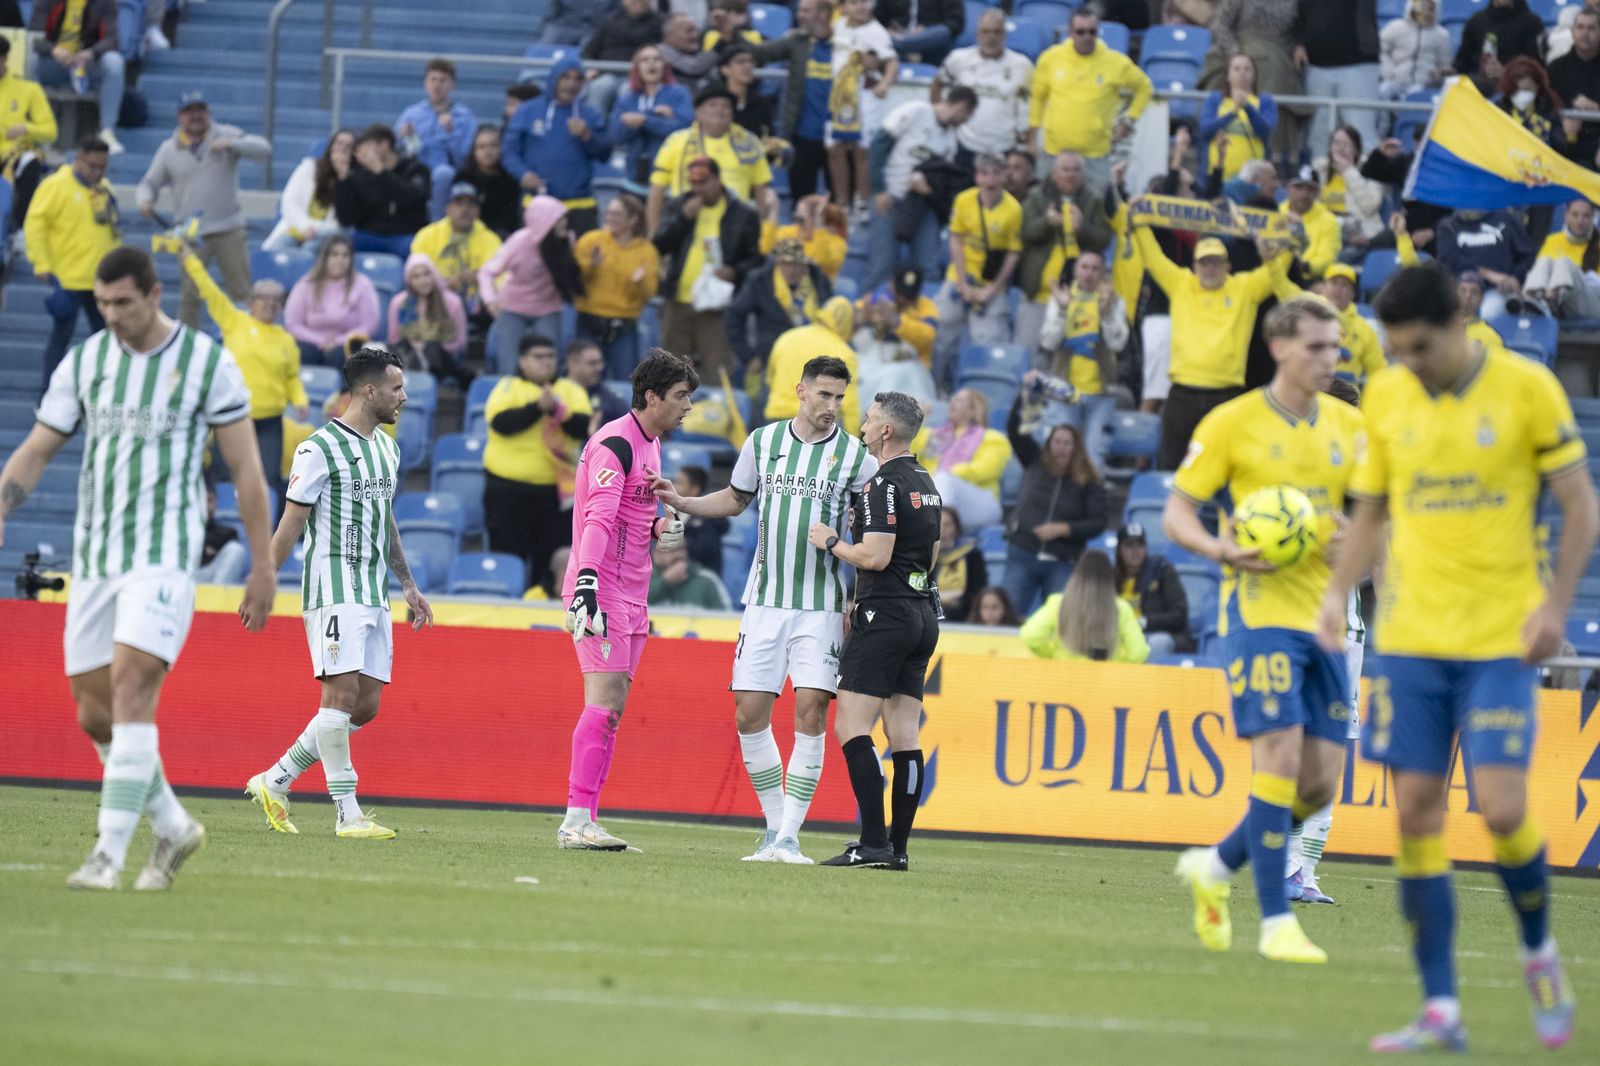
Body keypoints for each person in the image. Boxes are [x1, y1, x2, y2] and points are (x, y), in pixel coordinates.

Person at [1320, 262, 1597, 1051]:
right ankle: (1440, 1006)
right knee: (1414, 815)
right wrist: (1336, 597)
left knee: (1503, 809)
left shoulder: (1526, 389)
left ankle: (1539, 950)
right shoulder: (1388, 396)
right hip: (1409, 640)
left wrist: (1555, 606)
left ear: (1459, 323)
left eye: (1418, 348)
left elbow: (1582, 505)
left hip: (1501, 636)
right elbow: (1370, 513)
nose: (1408, 363)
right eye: (1396, 350)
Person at [0, 245, 276, 890]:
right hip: (97, 559)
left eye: (123, 302)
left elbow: (246, 472)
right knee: (95, 714)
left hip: (163, 557)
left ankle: (106, 856)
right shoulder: (87, 362)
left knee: (130, 685)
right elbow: (38, 449)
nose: (112, 314)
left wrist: (262, 566)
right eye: (102, 303)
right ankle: (174, 827)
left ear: (154, 295)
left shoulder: (207, 364)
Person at [1165, 295, 1366, 966]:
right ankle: (1277, 923)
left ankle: (1215, 868)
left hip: (1327, 619)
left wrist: (1355, 552)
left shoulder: (1349, 426)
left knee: (1317, 787)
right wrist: (1220, 550)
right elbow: (1177, 514)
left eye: (1335, 347)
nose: (1328, 359)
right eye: (1316, 347)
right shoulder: (1232, 423)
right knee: (1277, 761)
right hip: (1259, 614)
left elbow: (1374, 524)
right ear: (1280, 348)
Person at [656, 357, 876, 861]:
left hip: (820, 607)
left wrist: (858, 596)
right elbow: (735, 500)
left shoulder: (856, 459)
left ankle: (790, 835)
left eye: (840, 397)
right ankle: (774, 828)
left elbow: (869, 534)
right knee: (749, 713)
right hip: (764, 601)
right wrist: (684, 504)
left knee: (811, 709)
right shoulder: (763, 442)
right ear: (800, 390)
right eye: (824, 395)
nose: (833, 407)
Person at [244, 347, 433, 841]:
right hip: (333, 586)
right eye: (396, 388)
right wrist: (262, 577)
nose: (404, 397)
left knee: (364, 705)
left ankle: (275, 779)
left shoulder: (387, 450)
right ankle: (348, 813)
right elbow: (290, 524)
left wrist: (408, 584)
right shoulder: (318, 448)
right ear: (369, 391)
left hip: (373, 591)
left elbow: (386, 519)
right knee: (339, 694)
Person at [558, 349, 700, 851]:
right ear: (652, 396)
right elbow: (596, 519)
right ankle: (576, 820)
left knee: (613, 709)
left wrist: (659, 526)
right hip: (603, 590)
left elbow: (629, 517)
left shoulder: (651, 445)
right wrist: (587, 583)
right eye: (681, 397)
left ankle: (587, 818)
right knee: (602, 704)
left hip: (633, 594)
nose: (688, 407)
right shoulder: (615, 444)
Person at [810, 390, 941, 869]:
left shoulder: (882, 484)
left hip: (885, 614)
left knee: (850, 726)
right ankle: (897, 849)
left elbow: (877, 556)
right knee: (904, 734)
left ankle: (871, 843)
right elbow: (928, 558)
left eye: (868, 420)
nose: (862, 427)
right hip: (923, 613)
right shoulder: (927, 482)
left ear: (886, 430)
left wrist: (833, 543)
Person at [1283, 374, 1366, 907]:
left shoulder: (1365, 484)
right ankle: (1279, 861)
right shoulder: (1288, 473)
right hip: (1292, 620)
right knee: (1290, 746)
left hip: (1347, 630)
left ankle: (1304, 870)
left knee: (1331, 754)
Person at [1130, 217, 1291, 470]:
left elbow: (1277, 271)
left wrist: (1286, 232)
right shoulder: (1181, 283)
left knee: (1227, 469)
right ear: (1194, 265)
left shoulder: (1244, 288)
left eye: (1216, 262)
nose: (1210, 268)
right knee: (1169, 468)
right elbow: (1153, 257)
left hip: (1225, 397)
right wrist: (1138, 221)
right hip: (1182, 394)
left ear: (1228, 265)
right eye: (1204, 262)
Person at [174, 241, 308, 499]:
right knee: (225, 477)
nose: (270, 304)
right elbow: (209, 290)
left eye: (275, 300)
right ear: (251, 302)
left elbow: (292, 378)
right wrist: (191, 261)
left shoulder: (285, 339)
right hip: (233, 416)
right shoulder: (234, 321)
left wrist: (300, 399)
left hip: (270, 422)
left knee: (266, 481)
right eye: (264, 298)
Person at [137, 90, 268, 328]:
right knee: (190, 295)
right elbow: (149, 183)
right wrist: (145, 200)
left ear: (208, 112)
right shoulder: (169, 149)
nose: (195, 116)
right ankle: (186, 347)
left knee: (241, 291)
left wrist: (233, 144)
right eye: (189, 112)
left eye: (200, 110)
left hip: (229, 227)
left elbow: (264, 150)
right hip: (190, 233)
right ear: (179, 116)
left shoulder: (225, 134)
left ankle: (250, 339)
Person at [484, 333, 593, 588]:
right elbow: (501, 424)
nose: (546, 362)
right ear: (522, 361)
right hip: (508, 492)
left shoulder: (571, 390)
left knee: (552, 561)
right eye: (538, 357)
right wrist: (537, 407)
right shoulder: (507, 387)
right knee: (507, 557)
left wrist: (555, 409)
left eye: (551, 356)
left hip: (556, 495)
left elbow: (583, 427)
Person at [652, 155, 763, 378]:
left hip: (717, 305)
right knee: (670, 374)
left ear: (718, 180)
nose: (698, 188)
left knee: (717, 370)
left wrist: (735, 272)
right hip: (678, 301)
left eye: (703, 182)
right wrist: (683, 218)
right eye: (693, 183)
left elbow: (756, 260)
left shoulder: (743, 213)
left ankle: (716, 412)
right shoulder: (679, 205)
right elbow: (659, 247)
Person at [23, 136, 117, 394]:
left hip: (100, 280)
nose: (97, 172)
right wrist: (41, 263)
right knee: (61, 337)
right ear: (78, 159)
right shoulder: (55, 185)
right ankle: (47, 396)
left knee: (109, 340)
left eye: (102, 167)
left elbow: (111, 231)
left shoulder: (105, 189)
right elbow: (35, 225)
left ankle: (104, 394)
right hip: (66, 277)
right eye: (92, 166)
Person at [862, 88, 976, 291]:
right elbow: (879, 146)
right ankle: (868, 316)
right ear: (962, 106)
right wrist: (879, 189)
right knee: (882, 266)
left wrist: (928, 190)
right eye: (968, 115)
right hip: (890, 196)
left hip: (921, 204)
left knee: (927, 266)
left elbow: (942, 182)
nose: (966, 122)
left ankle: (922, 317)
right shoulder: (915, 111)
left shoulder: (950, 140)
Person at [1029, 8, 1152, 193]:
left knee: (1096, 210)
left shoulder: (1115, 62)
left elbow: (1145, 87)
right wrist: (1032, 139)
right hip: (1054, 151)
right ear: (1070, 33)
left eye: (1092, 32)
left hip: (1095, 153)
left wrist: (1130, 119)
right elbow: (1037, 99)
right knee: (1049, 207)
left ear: (1098, 32)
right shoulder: (1050, 58)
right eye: (1080, 32)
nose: (1087, 36)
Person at [931, 153, 1022, 393]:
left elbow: (1014, 252)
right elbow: (956, 240)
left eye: (995, 173)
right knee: (944, 338)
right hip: (959, 277)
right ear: (977, 176)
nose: (990, 180)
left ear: (1004, 175)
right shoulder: (964, 201)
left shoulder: (1013, 209)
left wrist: (993, 289)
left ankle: (983, 394)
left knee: (989, 341)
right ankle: (940, 386)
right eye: (984, 173)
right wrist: (962, 283)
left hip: (992, 284)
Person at [1000, 418, 1105, 616]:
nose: (1061, 448)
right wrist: (1026, 395)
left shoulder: (1089, 480)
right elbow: (1015, 430)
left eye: (1067, 443)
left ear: (1077, 447)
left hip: (1063, 559)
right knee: (1008, 614)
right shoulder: (1034, 461)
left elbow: (1098, 522)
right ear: (1049, 444)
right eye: (1057, 442)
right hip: (1023, 552)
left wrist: (1063, 529)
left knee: (1062, 620)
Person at [1034, 250, 1128, 469]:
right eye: (1084, 267)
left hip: (1101, 394)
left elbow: (1118, 344)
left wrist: (1106, 313)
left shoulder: (1115, 301)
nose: (1089, 274)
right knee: (1060, 457)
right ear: (1076, 270)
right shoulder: (1061, 299)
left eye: (1096, 268)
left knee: (1094, 458)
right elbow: (1048, 342)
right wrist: (1063, 310)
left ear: (1104, 273)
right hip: (1065, 391)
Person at [1016, 151, 1113, 354]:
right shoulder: (1037, 196)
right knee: (1027, 353)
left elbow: (1103, 240)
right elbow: (1025, 234)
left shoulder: (1093, 199)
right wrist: (1047, 223)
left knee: (1065, 357)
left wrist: (1082, 227)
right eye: (1066, 169)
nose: (1071, 175)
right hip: (1037, 294)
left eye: (1076, 170)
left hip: (1078, 298)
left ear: (1083, 174)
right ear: (1053, 173)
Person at [503, 55, 612, 236]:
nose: (571, 84)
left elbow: (604, 154)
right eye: (565, 77)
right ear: (554, 78)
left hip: (579, 205)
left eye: (577, 78)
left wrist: (587, 136)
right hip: (537, 203)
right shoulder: (527, 110)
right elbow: (509, 151)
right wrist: (523, 173)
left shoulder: (590, 115)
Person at [647, 83, 773, 235]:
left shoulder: (749, 142)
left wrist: (759, 232)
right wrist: (654, 235)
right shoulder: (676, 141)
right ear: (698, 111)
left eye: (726, 106)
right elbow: (656, 191)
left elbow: (761, 190)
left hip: (734, 231)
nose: (719, 110)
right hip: (686, 228)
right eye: (712, 105)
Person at [479, 195, 583, 374]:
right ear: (544, 223)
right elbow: (487, 272)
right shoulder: (518, 243)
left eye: (565, 218)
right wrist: (490, 300)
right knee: (510, 366)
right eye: (559, 219)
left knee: (549, 365)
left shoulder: (568, 240)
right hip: (512, 308)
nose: (565, 223)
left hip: (547, 308)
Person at [752, 0, 839, 201]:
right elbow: (759, 53)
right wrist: (735, 31)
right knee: (800, 203)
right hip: (802, 137)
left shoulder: (847, 43)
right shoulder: (796, 42)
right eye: (799, 10)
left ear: (824, 15)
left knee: (838, 207)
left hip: (839, 139)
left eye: (806, 11)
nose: (799, 15)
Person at [574, 193, 662, 381]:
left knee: (625, 378)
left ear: (632, 220)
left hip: (623, 324)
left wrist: (638, 283)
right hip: (589, 320)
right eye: (609, 213)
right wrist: (591, 266)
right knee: (584, 378)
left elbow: (649, 292)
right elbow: (574, 280)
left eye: (617, 214)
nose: (610, 218)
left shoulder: (646, 251)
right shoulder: (591, 241)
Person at [828, 0, 898, 222]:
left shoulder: (876, 31)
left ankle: (863, 203)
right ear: (844, 6)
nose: (861, 7)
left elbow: (892, 61)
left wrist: (885, 84)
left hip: (865, 96)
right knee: (835, 148)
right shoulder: (837, 26)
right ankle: (842, 203)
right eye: (855, 2)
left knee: (862, 150)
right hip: (839, 98)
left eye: (864, 2)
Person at [932, 9, 1034, 162]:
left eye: (996, 32)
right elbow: (938, 84)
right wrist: (941, 117)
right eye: (985, 32)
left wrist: (1025, 141)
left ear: (1004, 34)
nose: (990, 37)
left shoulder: (1022, 65)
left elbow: (1030, 105)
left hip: (1004, 147)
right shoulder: (959, 59)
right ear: (977, 34)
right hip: (964, 145)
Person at [28, 0, 125, 154]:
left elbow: (112, 40)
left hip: (85, 64)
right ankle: (32, 129)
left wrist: (91, 53)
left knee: (114, 62)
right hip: (54, 64)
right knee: (30, 61)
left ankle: (107, 131)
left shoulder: (105, 2)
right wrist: (54, 50)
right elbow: (33, 37)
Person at [1021, 550, 1151, 663]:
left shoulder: (1059, 603)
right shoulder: (1121, 608)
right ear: (1109, 576)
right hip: (1105, 683)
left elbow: (1031, 635)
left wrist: (1053, 655)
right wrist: (1116, 665)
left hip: (1064, 680)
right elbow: (1139, 652)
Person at [727, 236, 833, 374]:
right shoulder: (760, 282)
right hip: (773, 361)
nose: (791, 270)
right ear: (777, 263)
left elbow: (831, 314)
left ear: (804, 264)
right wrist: (748, 357)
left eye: (796, 264)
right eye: (785, 264)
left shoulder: (818, 279)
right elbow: (733, 316)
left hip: (815, 360)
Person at [1290, 0, 1381, 157]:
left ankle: (1366, 180)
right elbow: (1299, 16)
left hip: (1358, 65)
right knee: (1318, 136)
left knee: (1360, 133)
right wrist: (1298, 43)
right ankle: (1319, 178)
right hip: (1316, 67)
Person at [915, 387, 1011, 532]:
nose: (951, 402)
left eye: (959, 400)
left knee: (942, 479)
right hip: (934, 496)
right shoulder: (934, 435)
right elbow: (907, 451)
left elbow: (985, 470)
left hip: (980, 504)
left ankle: (937, 534)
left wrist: (946, 474)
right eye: (952, 399)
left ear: (973, 411)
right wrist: (918, 419)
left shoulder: (994, 438)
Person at [396, 57, 478, 220]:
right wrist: (402, 137)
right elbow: (397, 151)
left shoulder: (464, 116)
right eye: (433, 79)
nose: (437, 85)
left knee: (443, 173)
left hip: (447, 173)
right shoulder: (411, 114)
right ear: (425, 83)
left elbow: (466, 158)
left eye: (443, 80)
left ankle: (436, 224)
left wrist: (451, 133)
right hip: (415, 170)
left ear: (452, 85)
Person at [335, 124, 432, 258]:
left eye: (369, 145)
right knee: (342, 247)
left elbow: (412, 198)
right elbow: (346, 218)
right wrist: (343, 179)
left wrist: (381, 172)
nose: (363, 151)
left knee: (415, 248)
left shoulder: (415, 169)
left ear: (385, 144)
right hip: (370, 235)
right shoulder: (361, 175)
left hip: (405, 234)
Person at [409, 182, 503, 320]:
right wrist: (442, 283)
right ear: (448, 208)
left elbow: (500, 277)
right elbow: (414, 273)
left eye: (471, 204)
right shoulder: (427, 236)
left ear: (478, 211)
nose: (465, 210)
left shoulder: (490, 239)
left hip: (478, 304)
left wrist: (481, 278)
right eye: (459, 203)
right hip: (437, 300)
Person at [764, 296, 861, 428]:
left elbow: (769, 380)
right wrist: (852, 443)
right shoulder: (845, 353)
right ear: (847, 323)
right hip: (815, 424)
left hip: (776, 418)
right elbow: (849, 405)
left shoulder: (787, 337)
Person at [284, 235, 380, 367]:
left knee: (340, 355)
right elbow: (293, 323)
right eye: (334, 255)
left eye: (345, 256)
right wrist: (320, 340)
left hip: (347, 345)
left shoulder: (362, 284)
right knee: (300, 352)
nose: (340, 260)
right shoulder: (306, 284)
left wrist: (340, 341)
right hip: (310, 342)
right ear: (324, 258)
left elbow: (368, 325)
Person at [0, 34, 59, 236]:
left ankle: (19, 230)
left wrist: (26, 128)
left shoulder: (28, 90)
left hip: (14, 155)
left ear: (4, 59)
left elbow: (51, 132)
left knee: (30, 161)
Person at [612, 44, 694, 190]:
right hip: (634, 177)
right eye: (644, 60)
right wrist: (653, 115)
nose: (651, 63)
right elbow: (615, 135)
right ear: (637, 68)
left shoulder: (679, 93)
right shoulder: (627, 99)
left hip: (671, 178)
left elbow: (685, 127)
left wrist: (645, 121)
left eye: (657, 59)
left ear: (664, 66)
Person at [1434, 207, 1535, 320]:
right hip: (1461, 288)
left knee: (1489, 312)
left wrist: (1516, 277)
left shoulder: (1505, 218)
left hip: (1496, 290)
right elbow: (1451, 261)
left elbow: (1527, 254)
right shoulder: (1448, 225)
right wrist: (1488, 274)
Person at [263, 129, 352, 253]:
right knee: (276, 251)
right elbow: (289, 202)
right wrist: (304, 227)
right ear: (331, 147)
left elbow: (345, 220)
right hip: (296, 228)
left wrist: (343, 177)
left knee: (308, 251)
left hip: (327, 237)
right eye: (339, 143)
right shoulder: (309, 168)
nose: (342, 149)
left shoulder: (354, 180)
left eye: (348, 146)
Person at [1112, 522, 1189, 657]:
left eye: (1140, 545)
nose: (1135, 550)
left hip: (1156, 634)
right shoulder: (1110, 577)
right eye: (1129, 545)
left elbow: (1179, 615)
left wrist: (1145, 622)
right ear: (1119, 549)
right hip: (1122, 635)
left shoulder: (1161, 570)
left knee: (1156, 643)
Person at [1199, 52, 1278, 183]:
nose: (1242, 73)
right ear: (1228, 75)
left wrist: (1247, 107)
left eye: (1248, 69)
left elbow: (1266, 131)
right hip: (1217, 175)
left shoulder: (1265, 101)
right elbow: (1205, 130)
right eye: (1237, 69)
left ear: (1255, 75)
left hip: (1253, 179)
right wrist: (1232, 114)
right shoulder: (1215, 100)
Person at [386, 254, 468, 379]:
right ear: (409, 280)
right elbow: (394, 339)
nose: (423, 281)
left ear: (433, 275)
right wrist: (415, 347)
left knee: (432, 350)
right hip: (408, 354)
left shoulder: (452, 302)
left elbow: (459, 342)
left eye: (426, 274)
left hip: (441, 358)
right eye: (416, 277)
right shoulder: (399, 303)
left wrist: (426, 346)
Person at [582, 0, 666, 117]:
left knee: (627, 90)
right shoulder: (609, 21)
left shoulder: (661, 22)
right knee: (600, 87)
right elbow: (589, 51)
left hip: (640, 76)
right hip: (607, 73)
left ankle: (624, 131)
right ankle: (594, 130)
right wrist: (590, 68)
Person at [1523, 198, 1600, 319]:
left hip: (1592, 305)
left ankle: (1549, 300)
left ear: (1592, 218)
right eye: (1575, 215)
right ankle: (1530, 299)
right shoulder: (1553, 240)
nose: (1580, 220)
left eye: (1586, 216)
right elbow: (1540, 271)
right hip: (1562, 306)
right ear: (1566, 215)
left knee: (1564, 262)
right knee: (1545, 261)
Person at [1315, 125, 1384, 251]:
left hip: (1360, 234)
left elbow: (1370, 207)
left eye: (1346, 144)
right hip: (1328, 231)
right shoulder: (1320, 170)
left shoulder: (1371, 171)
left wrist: (1349, 171)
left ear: (1356, 150)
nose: (1340, 149)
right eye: (1336, 143)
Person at [1548, 10, 1600, 165]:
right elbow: (1544, 108)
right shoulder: (1555, 68)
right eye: (1580, 27)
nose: (1585, 33)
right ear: (1572, 31)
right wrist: (1561, 123)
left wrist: (1596, 108)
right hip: (1561, 139)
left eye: (1591, 28)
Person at [760, 192, 848, 281]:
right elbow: (764, 249)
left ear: (817, 219)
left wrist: (818, 227)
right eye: (796, 219)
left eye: (801, 220)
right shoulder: (789, 232)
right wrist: (773, 212)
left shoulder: (837, 243)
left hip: (819, 290)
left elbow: (819, 261)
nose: (798, 225)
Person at [453, 125, 522, 239]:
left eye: (493, 146)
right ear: (473, 150)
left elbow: (510, 221)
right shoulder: (463, 178)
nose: (488, 151)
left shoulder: (511, 180)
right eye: (481, 147)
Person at [1453, 0, 1545, 82]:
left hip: (1517, 88)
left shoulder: (1532, 23)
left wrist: (1506, 73)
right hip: (1482, 86)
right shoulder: (1476, 21)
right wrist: (1451, 71)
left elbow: (1537, 69)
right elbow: (1462, 62)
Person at [1379, 0, 1453, 99]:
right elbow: (1381, 51)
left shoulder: (1442, 35)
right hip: (1394, 80)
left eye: (1430, 9)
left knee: (1415, 96)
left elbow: (1444, 64)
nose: (1426, 12)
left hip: (1423, 84)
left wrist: (1439, 73)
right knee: (1380, 93)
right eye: (1421, 7)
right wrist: (1389, 73)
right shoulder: (1394, 27)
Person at [1280, 165, 1342, 280]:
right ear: (1288, 188)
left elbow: (1326, 259)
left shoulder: (1329, 220)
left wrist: (1302, 267)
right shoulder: (1276, 213)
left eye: (1310, 189)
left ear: (1318, 192)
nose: (1304, 194)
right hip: (1275, 276)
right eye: (1299, 187)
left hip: (1307, 277)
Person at [669, 464, 727, 575]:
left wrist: (676, 542)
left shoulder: (709, 518)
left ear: (695, 489)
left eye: (680, 483)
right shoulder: (674, 513)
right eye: (675, 481)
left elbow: (704, 550)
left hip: (700, 577)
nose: (674, 487)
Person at [564, 338, 631, 428]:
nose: (600, 367)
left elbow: (632, 427)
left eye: (600, 362)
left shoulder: (609, 399)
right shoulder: (556, 393)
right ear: (572, 363)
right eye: (592, 363)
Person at [934, 507, 986, 621]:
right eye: (938, 524)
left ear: (957, 528)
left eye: (948, 525)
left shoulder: (971, 555)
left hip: (964, 613)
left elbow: (978, 590)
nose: (942, 530)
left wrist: (958, 601)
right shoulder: (926, 556)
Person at [648, 540, 733, 609]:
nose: (679, 554)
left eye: (682, 549)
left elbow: (726, 618)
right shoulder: (645, 580)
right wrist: (665, 582)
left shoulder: (707, 580)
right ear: (656, 555)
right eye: (672, 550)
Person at [876, 0, 964, 66]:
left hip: (930, 41)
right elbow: (877, 20)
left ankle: (900, 43)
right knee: (877, 35)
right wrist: (886, 30)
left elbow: (956, 23)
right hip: (897, 36)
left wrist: (927, 29)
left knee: (942, 32)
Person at [194, 483, 249, 587]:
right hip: (187, 578)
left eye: (210, 500)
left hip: (211, 579)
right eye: (202, 500)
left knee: (236, 550)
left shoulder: (227, 533)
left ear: (216, 502)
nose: (206, 506)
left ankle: (215, 599)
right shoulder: (180, 530)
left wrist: (202, 551)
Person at [717, 44, 776, 140]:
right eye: (740, 62)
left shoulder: (761, 103)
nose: (748, 66)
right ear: (725, 69)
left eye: (750, 61)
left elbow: (769, 136)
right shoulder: (715, 102)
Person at [659, 13, 721, 89]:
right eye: (689, 31)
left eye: (695, 30)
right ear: (669, 36)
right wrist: (721, 43)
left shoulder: (693, 52)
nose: (695, 35)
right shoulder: (660, 52)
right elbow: (694, 68)